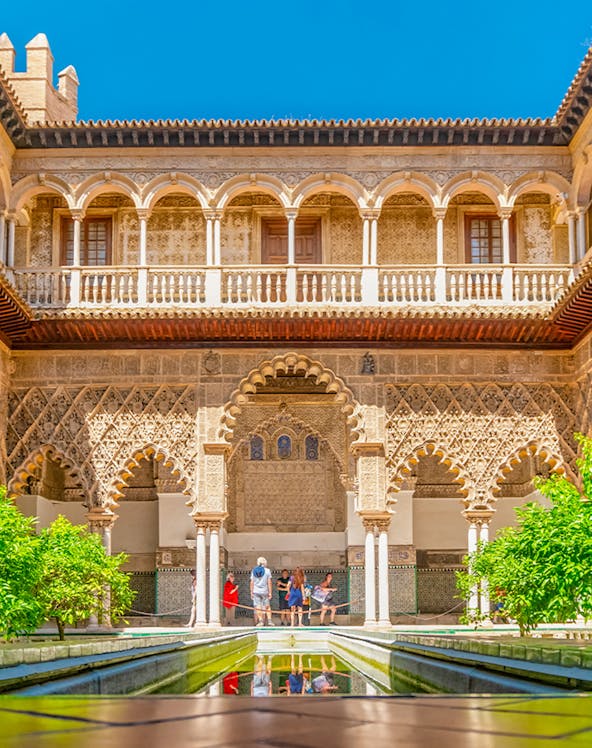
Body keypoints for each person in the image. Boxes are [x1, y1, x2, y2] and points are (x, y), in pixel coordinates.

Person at [250, 556, 274, 626]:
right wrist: (270, 592)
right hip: (265, 591)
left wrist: (251, 592)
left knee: (258, 606)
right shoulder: (267, 571)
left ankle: (260, 621)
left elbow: (252, 582)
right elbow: (269, 582)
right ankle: (269, 621)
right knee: (267, 606)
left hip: (256, 591)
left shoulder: (254, 570)